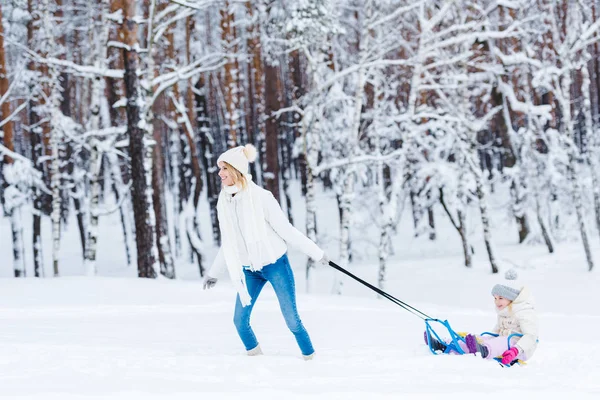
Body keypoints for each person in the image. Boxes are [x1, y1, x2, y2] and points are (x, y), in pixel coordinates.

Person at [202, 144, 329, 360]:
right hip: (249, 270)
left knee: (291, 320)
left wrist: (317, 253)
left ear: (236, 170)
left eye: (224, 168)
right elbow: (229, 244)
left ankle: (310, 359)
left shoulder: (261, 198)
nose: (220, 173)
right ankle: (255, 361)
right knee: (239, 321)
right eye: (220, 168)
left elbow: (287, 231)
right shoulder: (224, 203)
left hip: (275, 265)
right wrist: (214, 272)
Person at [425, 270, 539, 365]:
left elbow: (531, 336)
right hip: (503, 343)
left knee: (500, 341)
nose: (496, 302)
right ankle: (446, 345)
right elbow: (496, 331)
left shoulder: (524, 312)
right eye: (495, 298)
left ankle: (483, 350)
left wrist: (516, 350)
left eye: (500, 298)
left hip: (521, 349)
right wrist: (481, 339)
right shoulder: (505, 312)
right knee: (483, 339)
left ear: (511, 298)